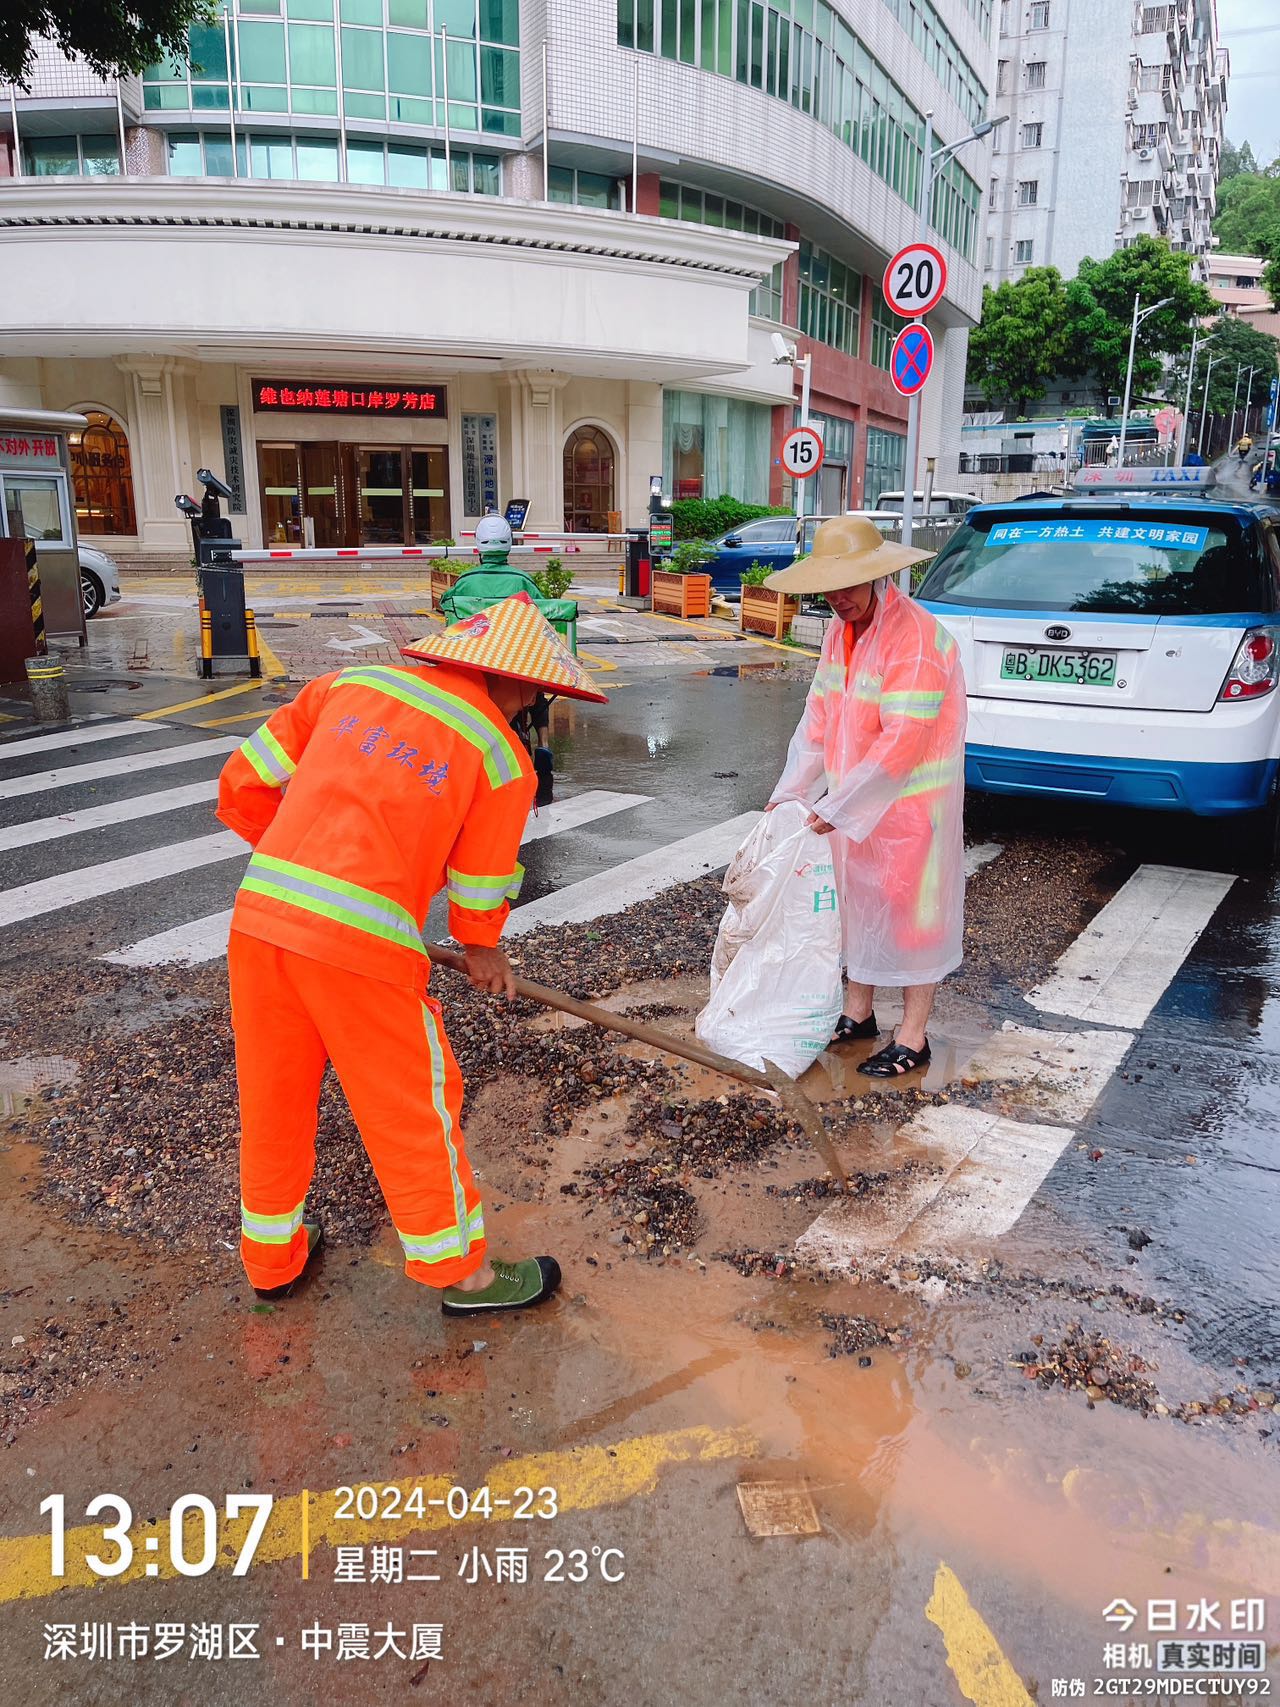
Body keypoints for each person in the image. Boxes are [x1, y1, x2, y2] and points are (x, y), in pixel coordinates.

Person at [217, 594, 607, 1313]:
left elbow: (242, 784)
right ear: (511, 679)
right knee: (410, 1110)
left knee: (273, 1099)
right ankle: (464, 1277)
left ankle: (272, 1261)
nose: (532, 705)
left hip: (260, 922)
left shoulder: (347, 686)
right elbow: (480, 889)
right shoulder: (499, 756)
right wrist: (483, 951)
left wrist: (306, 878)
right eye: (535, 692)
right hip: (360, 954)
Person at [765, 516, 967, 1077]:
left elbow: (905, 738)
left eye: (849, 584)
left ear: (878, 576)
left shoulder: (917, 639)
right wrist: (790, 793)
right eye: (829, 587)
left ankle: (914, 1036)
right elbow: (818, 718)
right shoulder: (842, 632)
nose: (838, 598)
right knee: (857, 903)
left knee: (914, 915)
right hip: (858, 799)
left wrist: (840, 804)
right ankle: (859, 1013)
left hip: (912, 806)